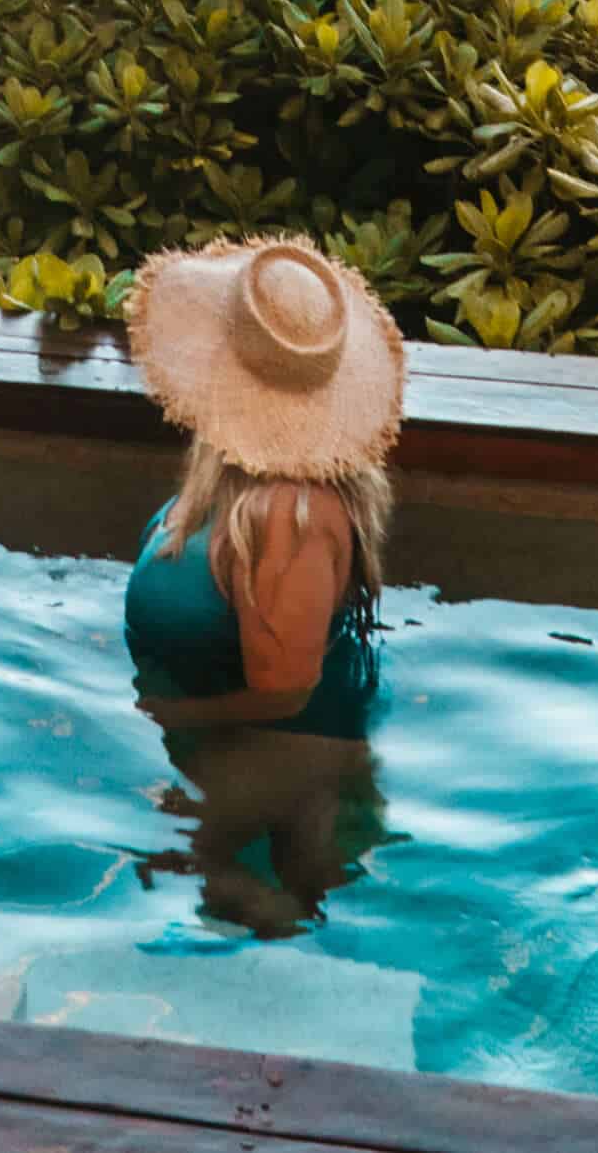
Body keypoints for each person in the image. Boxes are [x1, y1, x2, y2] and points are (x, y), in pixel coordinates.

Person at [122, 234, 405, 935]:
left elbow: (285, 691)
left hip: (278, 763)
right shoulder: (239, 475)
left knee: (254, 924)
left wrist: (168, 717)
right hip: (236, 756)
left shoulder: (290, 512)